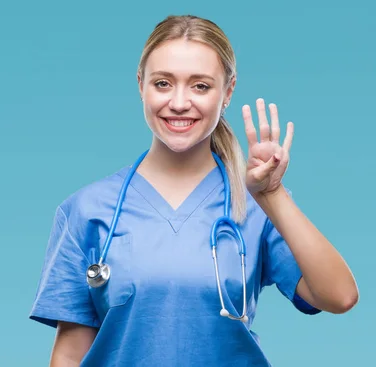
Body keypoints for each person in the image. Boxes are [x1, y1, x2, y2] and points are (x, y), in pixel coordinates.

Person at [29, 14, 359, 366]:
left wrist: (272, 196)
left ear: (228, 91)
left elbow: (339, 296)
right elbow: (69, 353)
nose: (180, 102)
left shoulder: (256, 205)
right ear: (140, 84)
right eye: (163, 83)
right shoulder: (87, 210)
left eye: (200, 86)